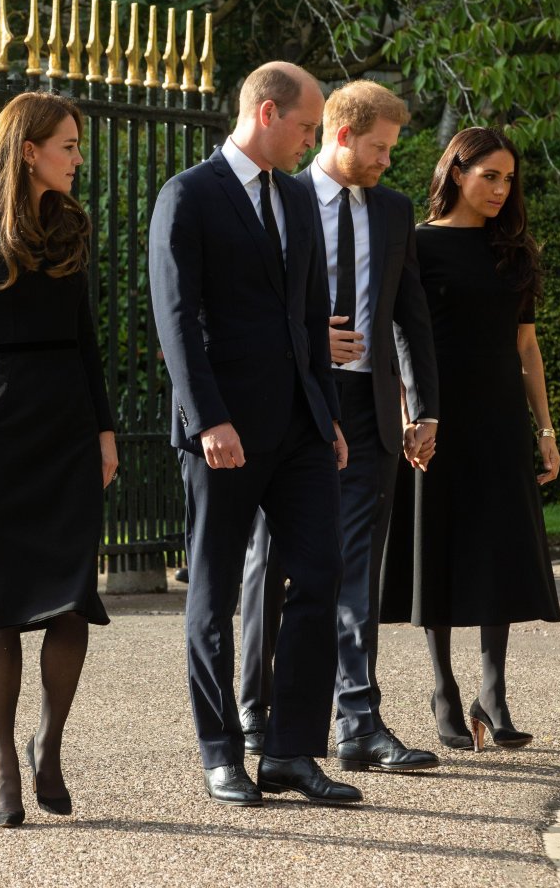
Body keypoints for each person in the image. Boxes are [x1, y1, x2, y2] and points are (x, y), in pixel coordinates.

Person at [149, 61, 362, 807]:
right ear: (268, 114)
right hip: (224, 429)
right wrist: (209, 418)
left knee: (322, 571)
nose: (311, 142)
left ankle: (291, 751)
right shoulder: (188, 195)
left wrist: (328, 414)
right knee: (212, 595)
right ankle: (220, 752)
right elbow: (176, 323)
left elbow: (311, 316)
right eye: (306, 127)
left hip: (301, 426)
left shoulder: (300, 200)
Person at [238, 80, 442, 773]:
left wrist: (425, 407)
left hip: (371, 411)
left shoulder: (393, 211)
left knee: (358, 568)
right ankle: (254, 715)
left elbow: (410, 318)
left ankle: (358, 722)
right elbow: (252, 307)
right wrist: (305, 344)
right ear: (342, 135)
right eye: (380, 147)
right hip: (295, 405)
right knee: (271, 561)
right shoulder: (281, 199)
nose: (389, 160)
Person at [0, 92, 118, 827]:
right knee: (2, 603)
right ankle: (5, 765)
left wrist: (105, 430)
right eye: (67, 145)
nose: (77, 157)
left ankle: (51, 747)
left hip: (70, 421)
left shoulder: (72, 222)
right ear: (29, 148)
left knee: (74, 594)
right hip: (2, 419)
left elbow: (88, 336)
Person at [380, 126, 560, 752]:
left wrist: (545, 429)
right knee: (438, 545)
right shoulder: (417, 245)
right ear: (456, 172)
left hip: (499, 418)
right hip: (436, 417)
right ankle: (444, 690)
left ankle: (493, 693)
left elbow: (526, 346)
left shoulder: (514, 250)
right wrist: (410, 413)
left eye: (509, 179)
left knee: (499, 549)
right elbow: (399, 337)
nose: (501, 189)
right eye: (490, 176)